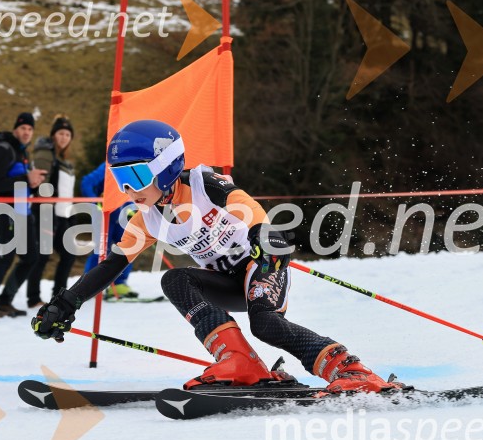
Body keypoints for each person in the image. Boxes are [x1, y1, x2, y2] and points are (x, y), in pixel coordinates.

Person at [31, 120, 402, 393]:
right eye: (119, 179)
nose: (128, 189)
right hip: (227, 283)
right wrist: (66, 303)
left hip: (263, 263)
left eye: (137, 175)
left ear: (165, 167)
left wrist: (264, 235)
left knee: (265, 324)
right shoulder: (145, 218)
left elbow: (245, 205)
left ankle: (350, 370)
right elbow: (111, 265)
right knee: (174, 279)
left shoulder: (202, 184)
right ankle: (240, 362)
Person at [0, 112, 47, 319]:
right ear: (15, 129)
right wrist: (27, 177)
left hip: (23, 213)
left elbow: (19, 184)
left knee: (31, 257)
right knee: (3, 259)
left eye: (30, 129)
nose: (27, 132)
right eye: (23, 128)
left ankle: (5, 301)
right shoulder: (3, 149)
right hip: (5, 212)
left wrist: (32, 184)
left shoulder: (20, 152)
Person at [25, 115, 78, 308]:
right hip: (46, 213)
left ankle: (58, 296)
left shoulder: (60, 158)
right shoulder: (45, 154)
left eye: (67, 134)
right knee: (42, 255)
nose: (64, 137)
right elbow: (41, 186)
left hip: (61, 215)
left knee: (67, 254)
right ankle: (33, 298)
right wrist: (48, 218)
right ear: (53, 135)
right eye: (60, 133)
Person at [80, 162, 138, 299]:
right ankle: (87, 285)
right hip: (104, 211)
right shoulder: (109, 165)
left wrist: (131, 208)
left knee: (127, 246)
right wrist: (96, 202)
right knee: (101, 249)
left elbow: (131, 191)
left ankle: (118, 284)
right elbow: (86, 183)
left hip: (122, 211)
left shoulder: (136, 165)